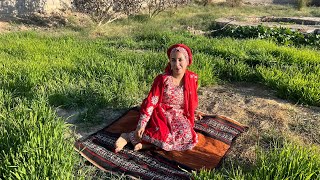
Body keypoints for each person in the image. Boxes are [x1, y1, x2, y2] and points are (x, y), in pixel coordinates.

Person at [115, 43, 202, 152]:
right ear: (169, 62)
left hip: (178, 113)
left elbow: (191, 99)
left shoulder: (192, 78)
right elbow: (151, 102)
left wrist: (192, 112)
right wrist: (141, 124)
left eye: (180, 60)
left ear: (187, 60)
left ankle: (150, 145)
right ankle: (128, 136)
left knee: (187, 136)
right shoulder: (162, 79)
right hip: (161, 112)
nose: (177, 64)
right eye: (173, 60)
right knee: (165, 136)